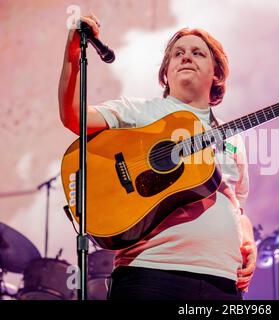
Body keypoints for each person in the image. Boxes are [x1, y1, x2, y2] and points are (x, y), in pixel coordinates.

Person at [58, 13, 257, 300]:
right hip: (150, 273)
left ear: (216, 73)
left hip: (223, 282)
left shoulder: (232, 137)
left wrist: (249, 241)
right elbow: (73, 115)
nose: (186, 57)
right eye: (178, 53)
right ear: (166, 72)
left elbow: (239, 209)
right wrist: (73, 53)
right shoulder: (141, 112)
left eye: (197, 52)